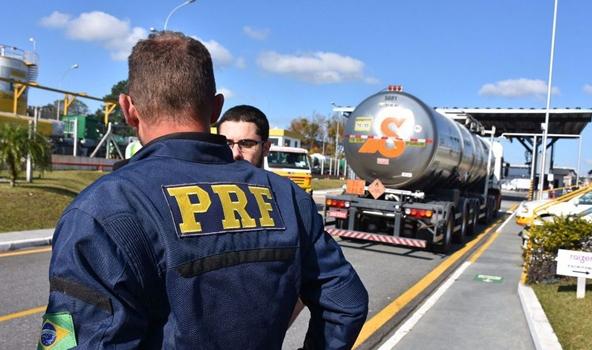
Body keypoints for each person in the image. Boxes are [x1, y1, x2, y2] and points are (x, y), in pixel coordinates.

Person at [40, 31, 368, 350]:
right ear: (215, 110)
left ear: (128, 110)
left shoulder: (103, 210)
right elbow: (347, 302)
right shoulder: (286, 197)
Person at [217, 105, 305, 325]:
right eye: (226, 143)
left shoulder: (288, 200)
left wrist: (275, 327)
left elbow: (317, 279)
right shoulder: (197, 197)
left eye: (246, 144)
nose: (235, 153)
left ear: (266, 147)